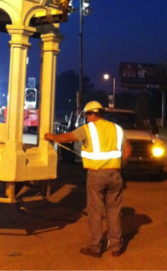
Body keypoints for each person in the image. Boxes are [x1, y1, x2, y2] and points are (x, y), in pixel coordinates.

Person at [45, 101, 132, 258]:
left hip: (96, 175)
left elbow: (67, 137)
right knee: (114, 211)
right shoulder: (117, 128)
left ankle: (95, 247)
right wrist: (119, 166)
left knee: (95, 212)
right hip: (115, 174)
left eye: (87, 115)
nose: (87, 119)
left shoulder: (88, 129)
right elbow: (128, 150)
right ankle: (116, 247)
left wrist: (52, 137)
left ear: (92, 114)